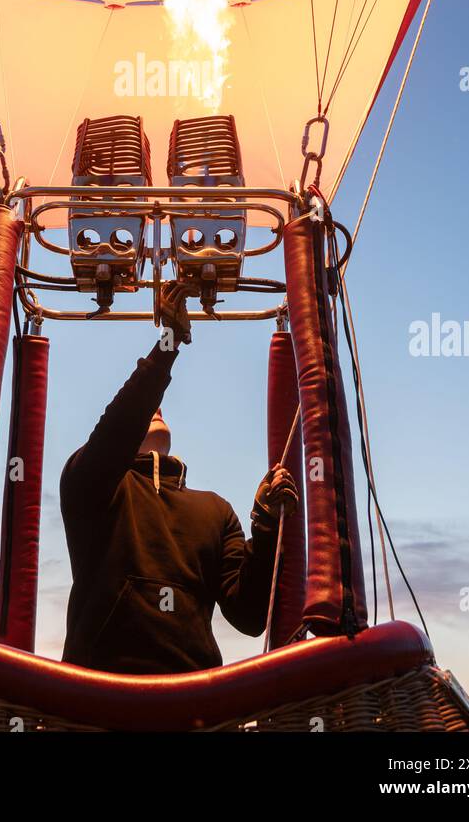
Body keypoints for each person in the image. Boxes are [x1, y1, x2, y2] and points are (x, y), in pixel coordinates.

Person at [60, 281, 299, 674]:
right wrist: (168, 345)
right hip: (96, 697)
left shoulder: (215, 510)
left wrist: (268, 525)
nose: (157, 409)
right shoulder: (91, 485)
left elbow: (249, 615)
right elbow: (118, 425)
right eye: (149, 408)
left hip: (195, 704)